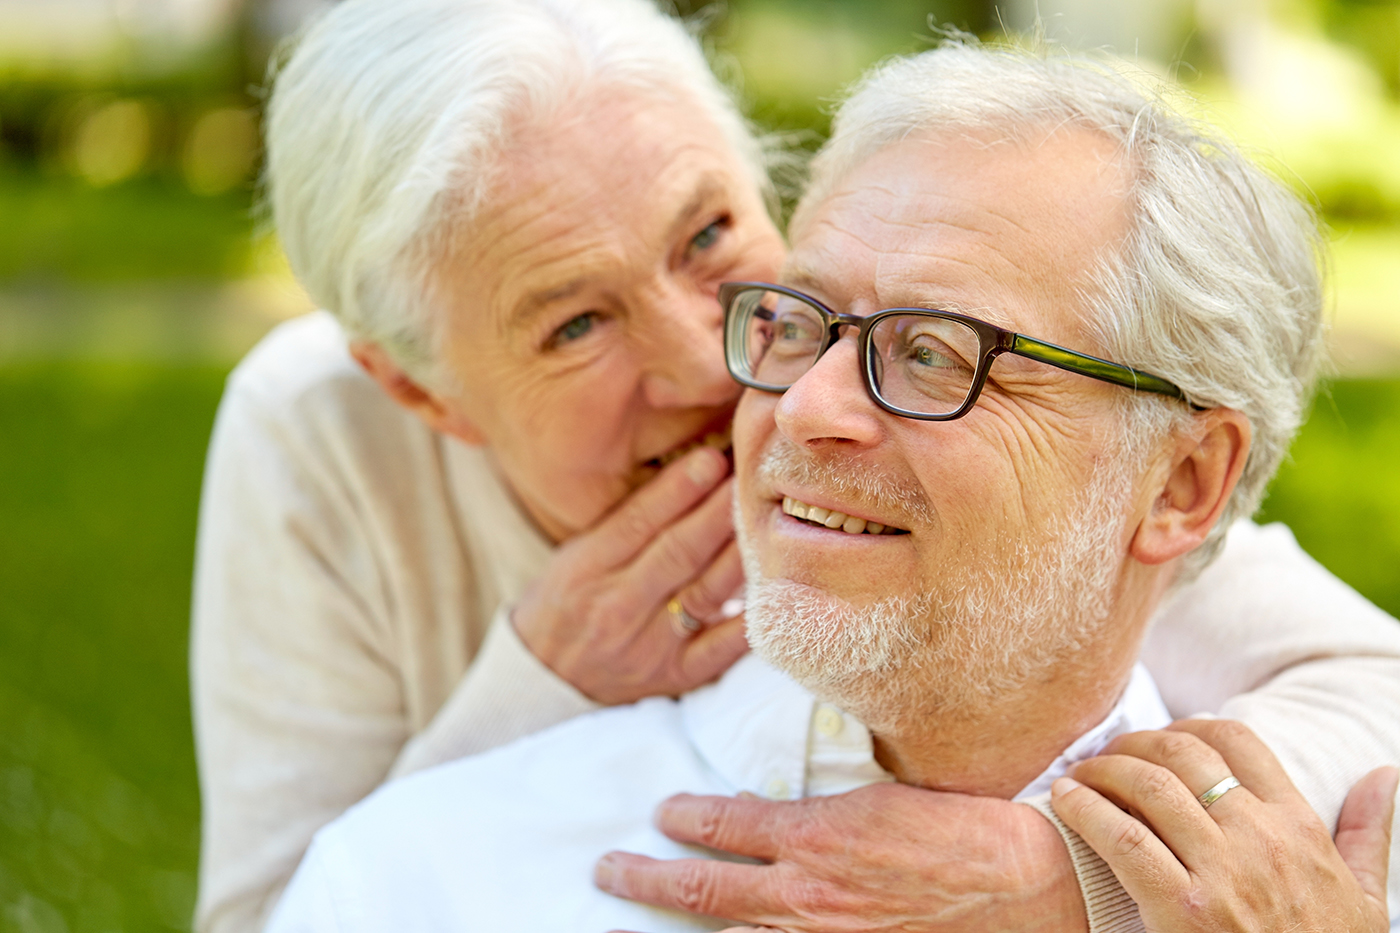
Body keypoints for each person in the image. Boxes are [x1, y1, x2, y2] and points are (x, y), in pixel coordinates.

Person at [192, 2, 1400, 931]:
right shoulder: (319, 445)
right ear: (420, 392)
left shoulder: (1097, 504)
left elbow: (1364, 679)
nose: (731, 379)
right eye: (574, 324)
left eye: (710, 240)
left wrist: (1073, 870)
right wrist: (535, 688)